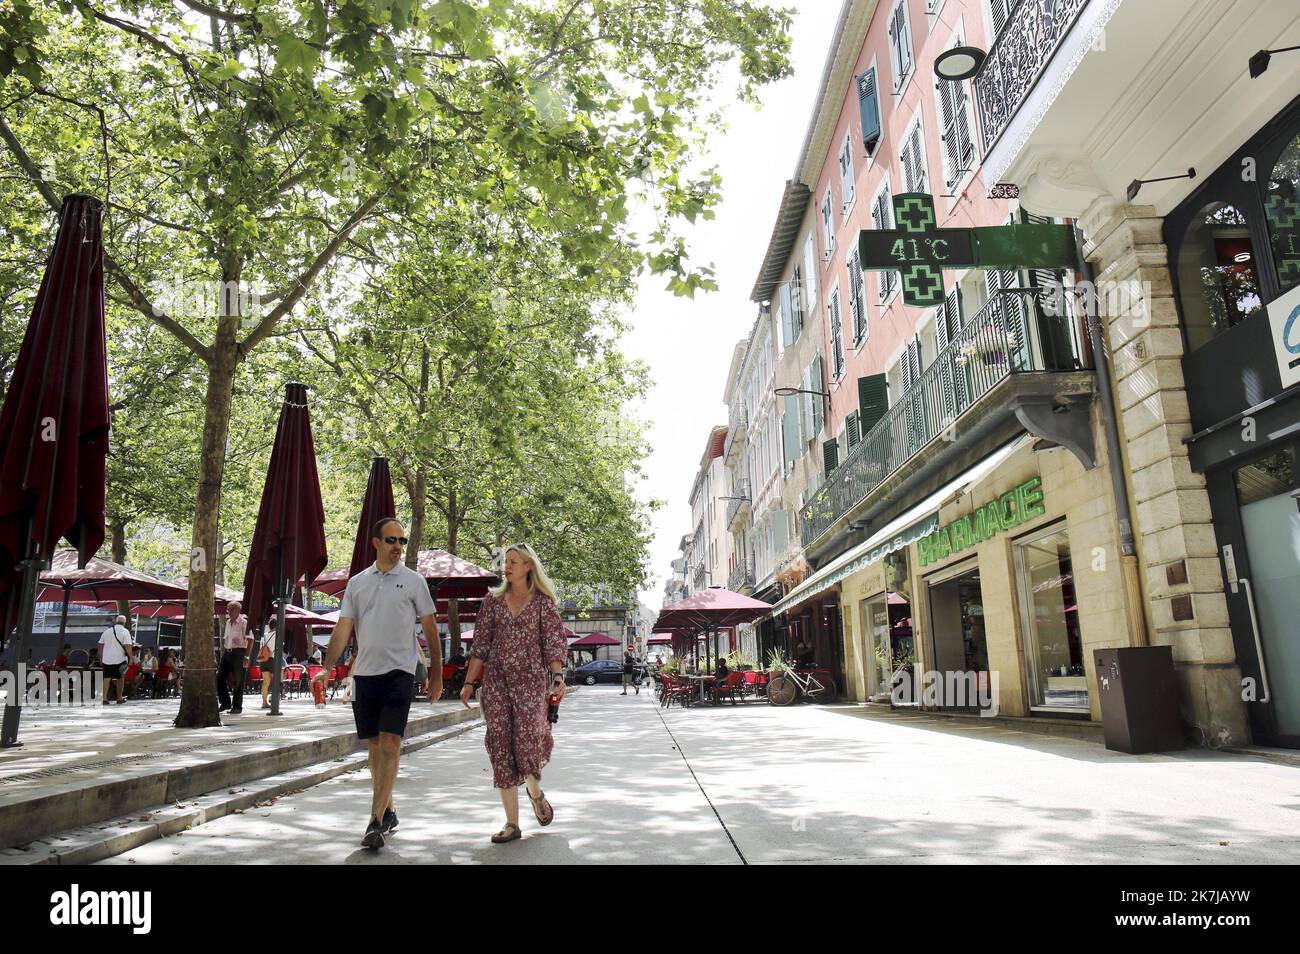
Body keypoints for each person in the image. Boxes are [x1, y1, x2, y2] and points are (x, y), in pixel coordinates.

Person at [314, 518, 442, 850]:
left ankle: (374, 821)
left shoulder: (414, 582)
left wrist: (436, 674)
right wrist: (328, 668)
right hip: (365, 675)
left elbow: (430, 630)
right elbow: (343, 628)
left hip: (400, 672)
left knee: (391, 744)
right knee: (374, 747)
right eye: (391, 540)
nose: (397, 546)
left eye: (401, 540)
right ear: (376, 543)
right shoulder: (357, 583)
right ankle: (389, 809)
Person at [460, 543, 567, 845]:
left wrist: (557, 676)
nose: (506, 566)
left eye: (513, 562)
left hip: (531, 684)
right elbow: (480, 646)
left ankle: (535, 793)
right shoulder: (492, 601)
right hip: (496, 684)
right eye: (505, 561)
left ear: (528, 566)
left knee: (526, 741)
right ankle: (511, 823)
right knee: (501, 747)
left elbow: (554, 644)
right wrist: (469, 683)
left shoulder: (543, 602)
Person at [217, 601, 251, 714]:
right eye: (228, 609)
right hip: (227, 652)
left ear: (237, 610)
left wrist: (247, 656)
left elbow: (251, 639)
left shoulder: (244, 622)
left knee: (238, 681)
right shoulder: (227, 622)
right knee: (219, 677)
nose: (229, 612)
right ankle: (225, 703)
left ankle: (237, 706)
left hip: (239, 653)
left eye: (231, 609)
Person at [97, 616, 135, 705]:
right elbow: (128, 646)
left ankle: (104, 698)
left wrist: (101, 657)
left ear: (116, 622)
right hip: (120, 659)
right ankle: (119, 698)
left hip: (107, 659)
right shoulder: (125, 632)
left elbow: (100, 644)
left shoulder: (107, 631)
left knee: (106, 678)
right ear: (124, 623)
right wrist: (131, 658)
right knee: (120, 679)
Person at [257, 625, 276, 710]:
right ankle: (274, 700)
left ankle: (264, 702)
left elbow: (261, 648)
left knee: (266, 682)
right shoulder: (277, 635)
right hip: (272, 659)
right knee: (276, 680)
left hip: (264, 660)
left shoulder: (264, 635)